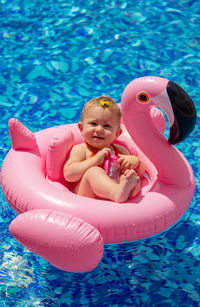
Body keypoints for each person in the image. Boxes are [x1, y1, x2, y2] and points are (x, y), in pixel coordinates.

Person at [63, 96, 145, 203]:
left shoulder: (121, 151)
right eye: (93, 124)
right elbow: (69, 175)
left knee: (131, 175)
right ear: (81, 128)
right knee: (93, 172)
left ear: (117, 133)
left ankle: (123, 191)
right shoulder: (81, 150)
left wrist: (136, 162)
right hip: (87, 196)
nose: (99, 129)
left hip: (116, 194)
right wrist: (95, 160)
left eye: (106, 126)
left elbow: (142, 174)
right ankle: (116, 192)